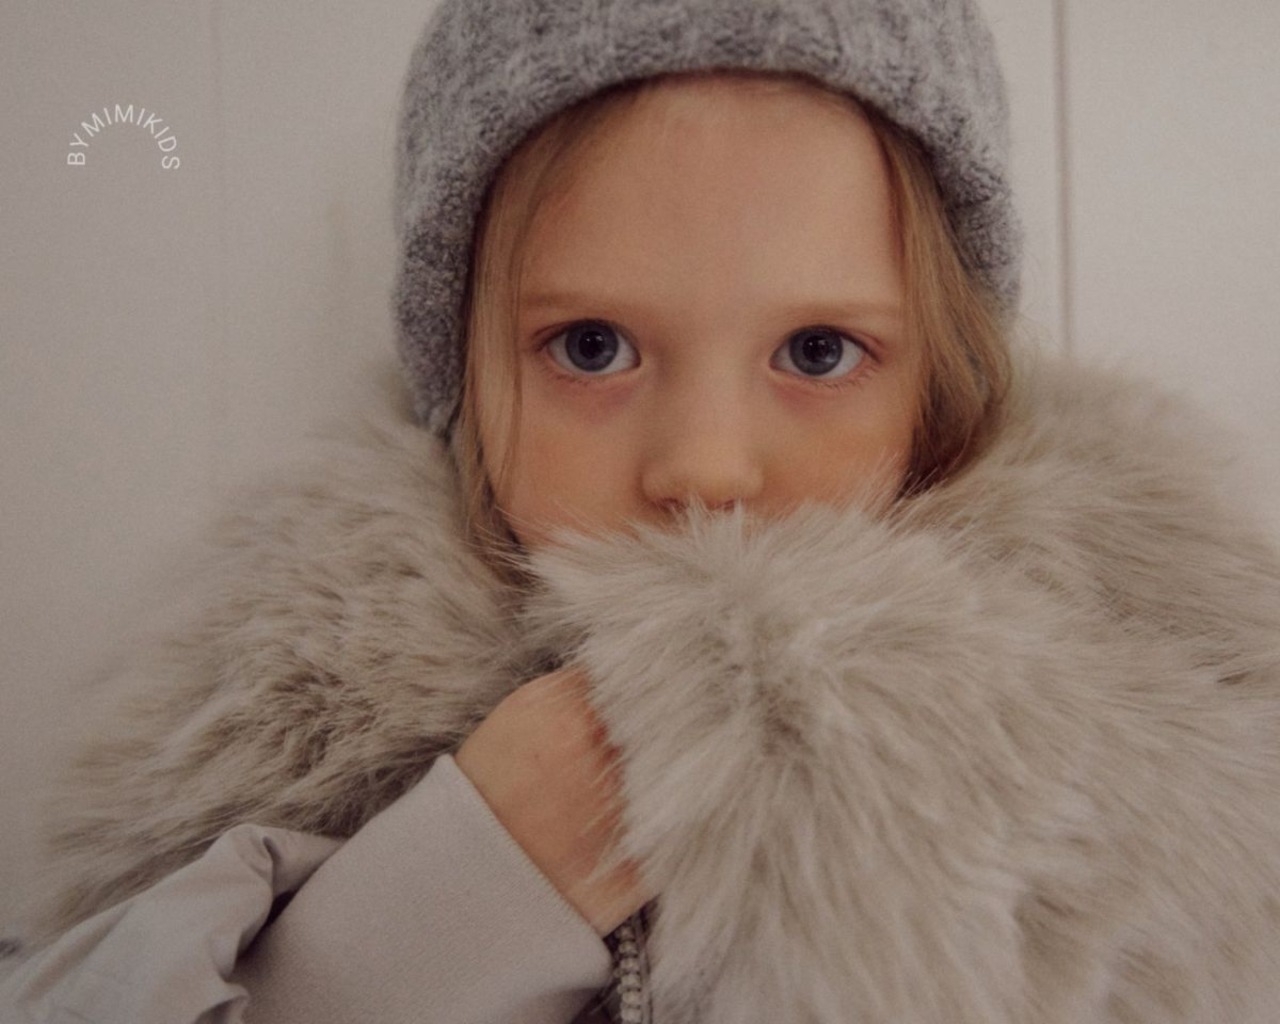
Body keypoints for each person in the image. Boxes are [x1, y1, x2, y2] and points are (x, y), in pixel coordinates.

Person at [5, 0, 1280, 1021]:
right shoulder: (270, 751)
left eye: (818, 352)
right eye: (593, 347)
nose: (704, 467)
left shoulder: (1141, 768)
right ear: (464, 375)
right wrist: (467, 880)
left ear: (940, 386)